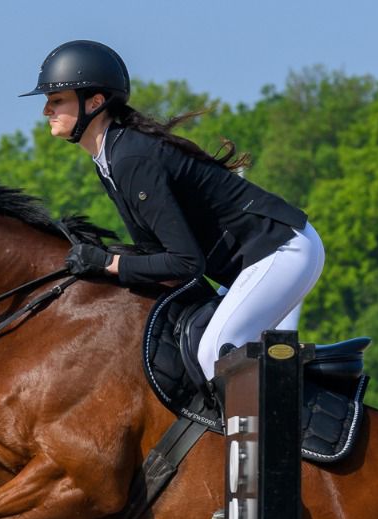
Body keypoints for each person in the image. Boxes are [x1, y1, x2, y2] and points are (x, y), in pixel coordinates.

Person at [26, 40, 323, 388]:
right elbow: (158, 253)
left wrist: (109, 264)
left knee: (216, 354)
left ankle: (268, 442)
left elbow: (185, 263)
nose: (47, 110)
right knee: (200, 345)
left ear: (95, 102)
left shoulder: (130, 159)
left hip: (280, 251)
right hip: (252, 262)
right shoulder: (111, 158)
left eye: (57, 99)